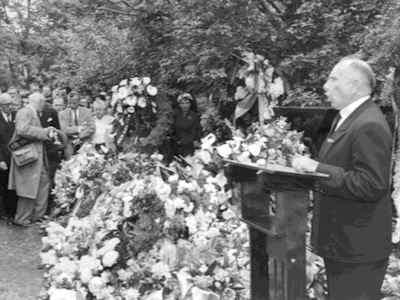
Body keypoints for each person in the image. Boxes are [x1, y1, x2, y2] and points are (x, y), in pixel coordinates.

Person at [292, 58, 392, 300]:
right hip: (343, 244)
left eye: (333, 79)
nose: (326, 86)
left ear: (354, 85)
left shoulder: (369, 123)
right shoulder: (345, 118)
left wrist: (317, 168)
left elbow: (372, 185)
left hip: (358, 248)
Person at [8, 93, 56, 227]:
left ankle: (36, 216)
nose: (45, 106)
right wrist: (44, 132)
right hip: (28, 157)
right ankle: (22, 218)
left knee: (43, 183)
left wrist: (45, 132)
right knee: (28, 188)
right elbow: (22, 129)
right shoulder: (25, 112)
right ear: (40, 102)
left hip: (35, 158)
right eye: (44, 103)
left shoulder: (32, 112)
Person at [59, 91, 95, 159]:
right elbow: (64, 129)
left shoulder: (87, 112)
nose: (71, 105)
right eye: (69, 103)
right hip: (70, 144)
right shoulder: (62, 114)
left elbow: (91, 128)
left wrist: (79, 136)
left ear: (79, 102)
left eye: (74, 103)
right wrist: (79, 128)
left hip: (85, 143)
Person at [0, 93, 18, 221]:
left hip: (17, 157)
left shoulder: (16, 116)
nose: (10, 107)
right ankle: (5, 212)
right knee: (4, 185)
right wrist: (0, 160)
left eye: (11, 104)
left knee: (14, 186)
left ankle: (13, 212)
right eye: (7, 105)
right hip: (3, 158)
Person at [173, 93, 202, 157]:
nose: (185, 106)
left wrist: (193, 140)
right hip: (178, 144)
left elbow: (196, 130)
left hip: (191, 144)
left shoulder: (195, 116)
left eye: (187, 103)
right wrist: (177, 140)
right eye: (182, 103)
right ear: (179, 105)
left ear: (190, 104)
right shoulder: (176, 115)